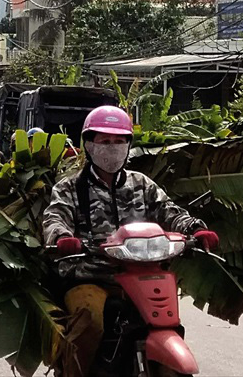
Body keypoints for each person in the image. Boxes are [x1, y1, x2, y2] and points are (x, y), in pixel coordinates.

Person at [42, 106, 220, 377]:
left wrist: (196, 230)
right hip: (92, 276)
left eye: (118, 141)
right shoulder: (69, 188)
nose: (112, 148)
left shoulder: (142, 184)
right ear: (89, 145)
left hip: (144, 274)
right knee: (89, 320)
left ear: (128, 145)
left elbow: (169, 211)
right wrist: (63, 237)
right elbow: (55, 217)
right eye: (104, 141)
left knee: (167, 319)